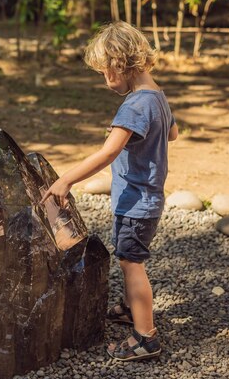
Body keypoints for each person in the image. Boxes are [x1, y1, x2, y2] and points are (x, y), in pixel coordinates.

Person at [41, 20, 177, 361]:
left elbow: (108, 151)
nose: (105, 80)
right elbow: (173, 134)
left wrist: (66, 179)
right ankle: (132, 308)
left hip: (135, 201)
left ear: (120, 63)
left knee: (132, 263)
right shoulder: (157, 96)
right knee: (129, 257)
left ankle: (145, 337)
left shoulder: (134, 106)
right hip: (148, 199)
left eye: (105, 72)